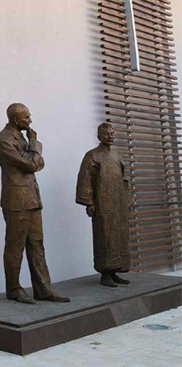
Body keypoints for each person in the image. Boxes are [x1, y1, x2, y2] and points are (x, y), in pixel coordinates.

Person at [0, 103, 70, 304]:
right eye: (26, 117)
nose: (30, 121)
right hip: (16, 200)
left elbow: (37, 164)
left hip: (32, 198)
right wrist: (34, 145)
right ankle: (13, 289)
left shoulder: (22, 138)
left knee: (37, 244)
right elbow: (32, 164)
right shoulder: (4, 139)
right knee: (15, 246)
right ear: (15, 119)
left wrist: (33, 156)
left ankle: (43, 289)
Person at [76, 123, 132, 287]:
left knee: (119, 235)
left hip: (118, 201)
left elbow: (124, 179)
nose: (110, 136)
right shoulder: (92, 156)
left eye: (112, 133)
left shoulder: (117, 155)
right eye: (107, 134)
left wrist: (127, 199)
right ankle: (105, 273)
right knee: (104, 235)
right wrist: (89, 202)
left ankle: (115, 270)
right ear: (99, 136)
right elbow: (85, 179)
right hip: (102, 202)